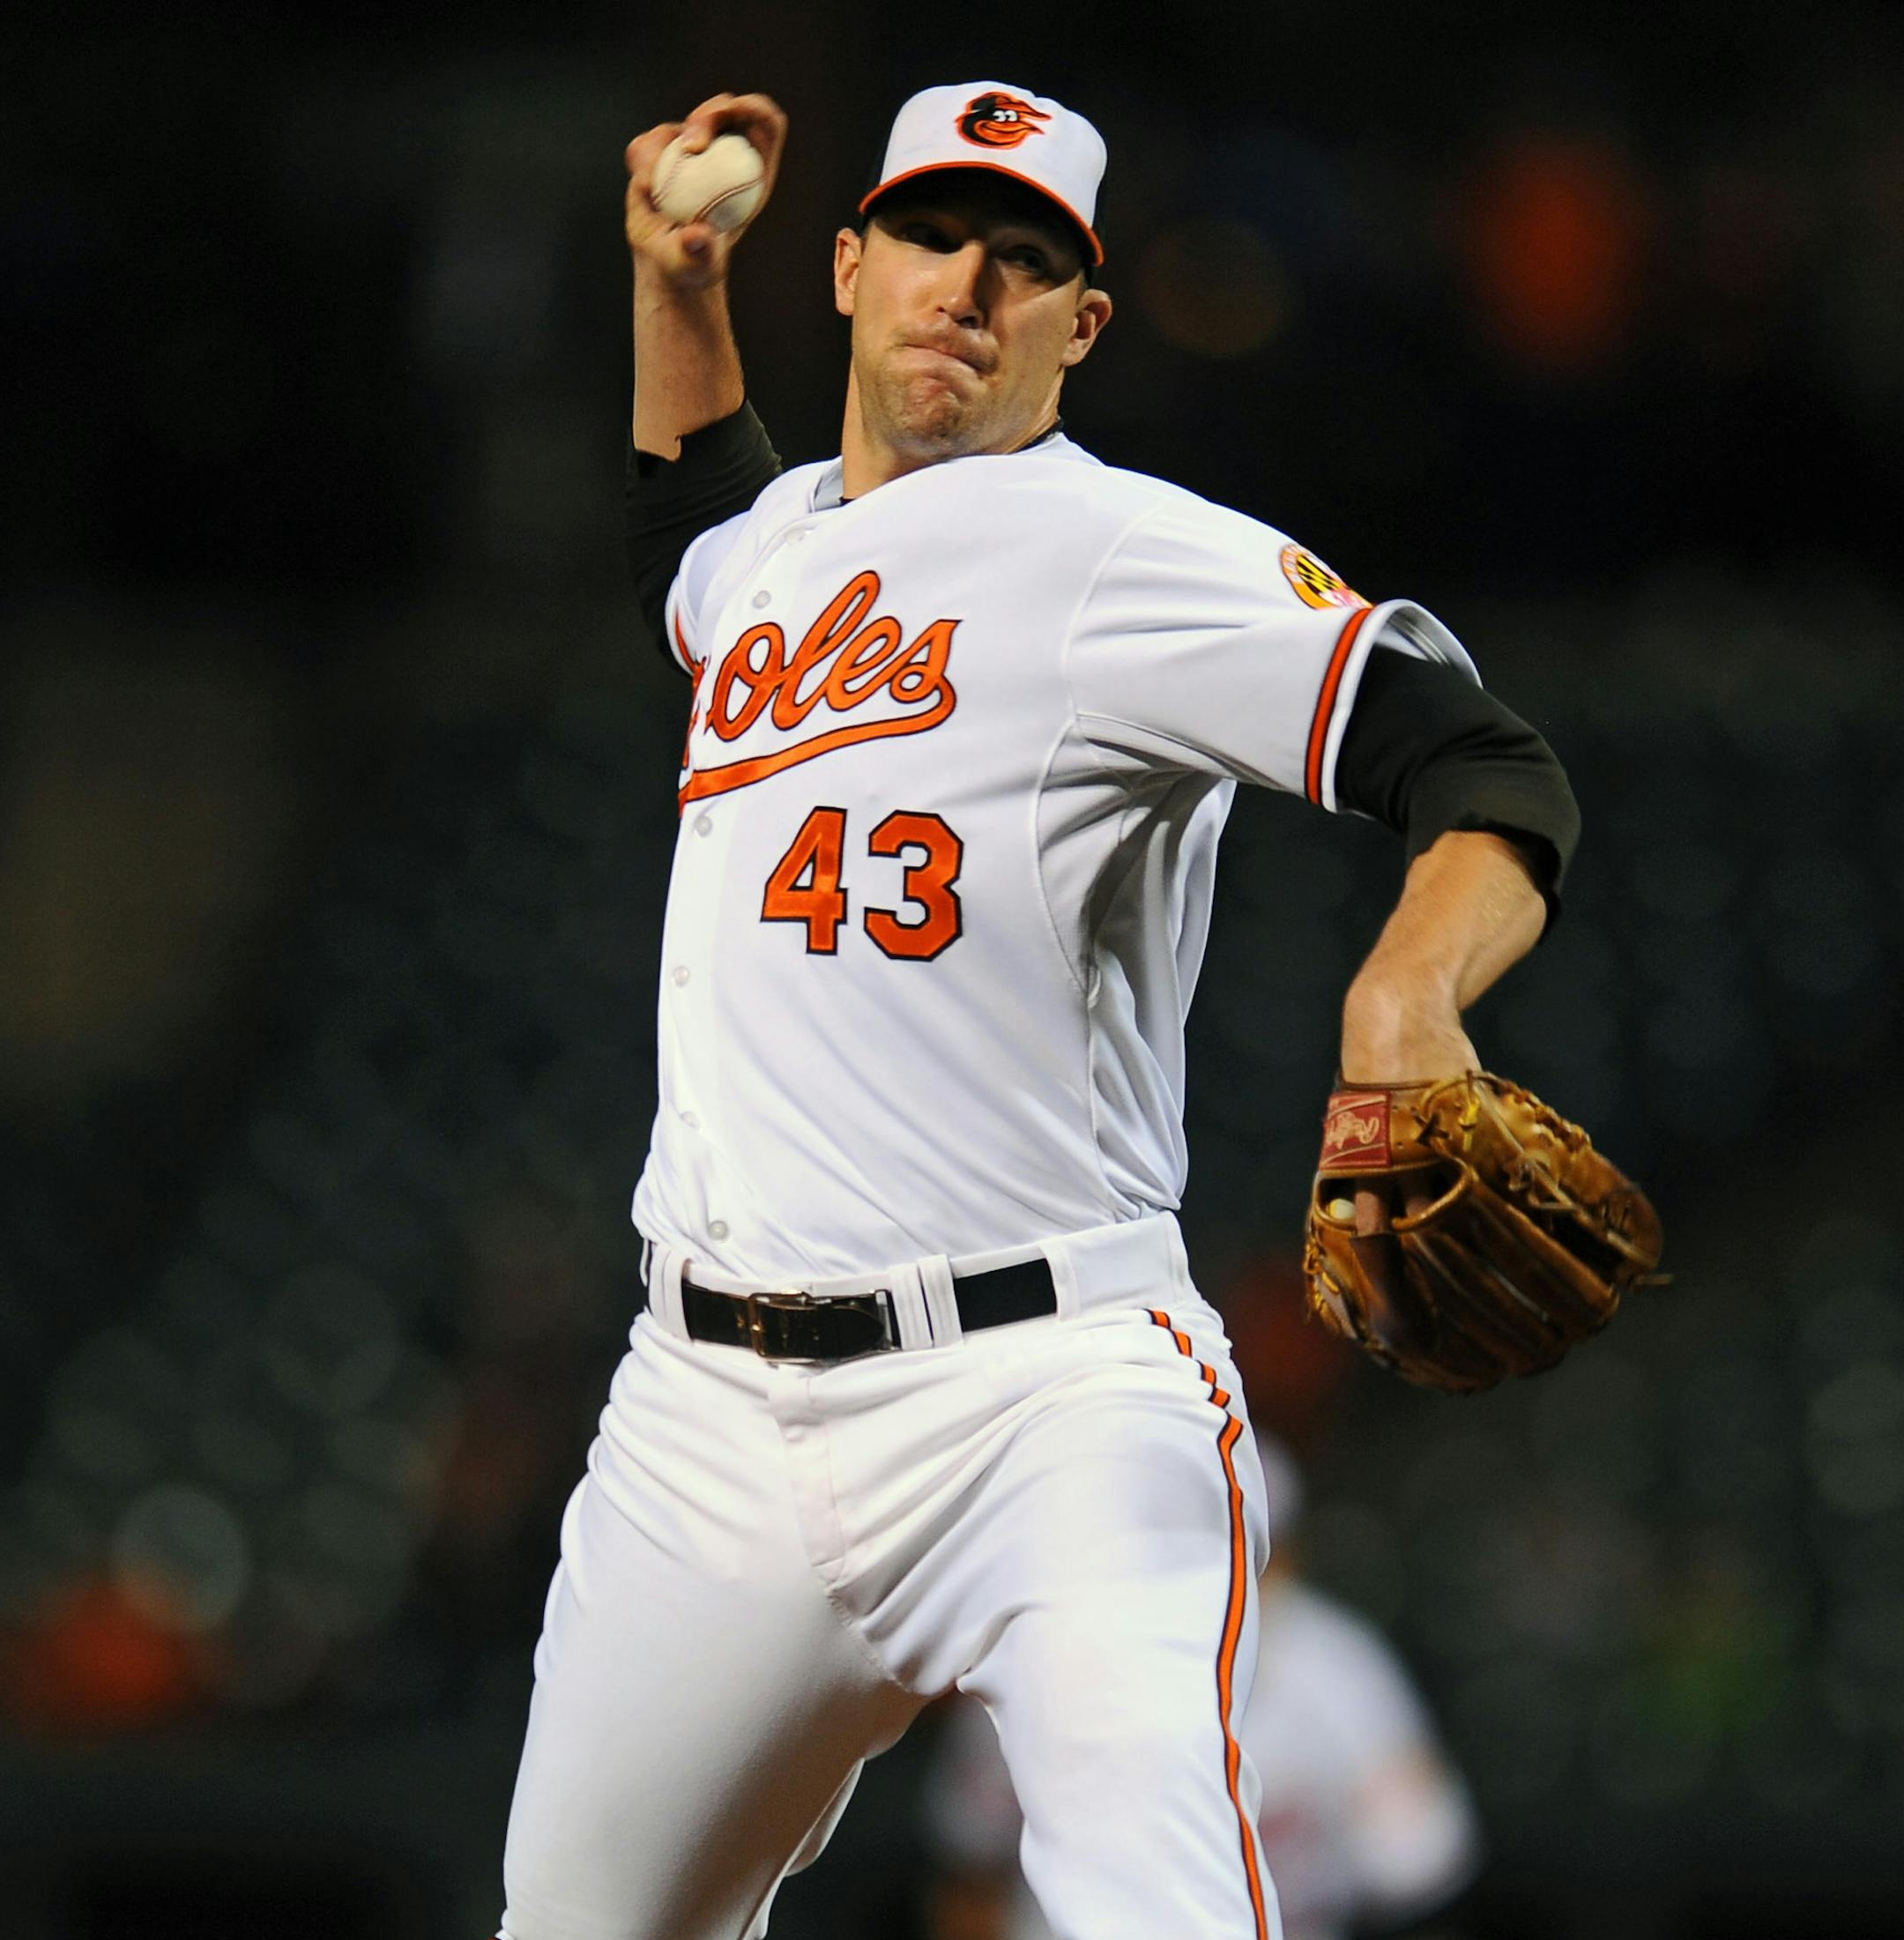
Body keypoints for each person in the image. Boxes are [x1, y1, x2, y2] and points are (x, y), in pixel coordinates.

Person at [495, 80, 1578, 1940]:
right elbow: (687, 513)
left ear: (1081, 325)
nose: (967, 287)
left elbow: (1488, 761)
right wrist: (677, 274)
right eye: (931, 236)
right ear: (845, 268)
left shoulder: (1128, 552)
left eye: (1026, 262)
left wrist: (1409, 990)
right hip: (707, 1414)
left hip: (1044, 1394)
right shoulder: (768, 552)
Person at [922, 1433, 1483, 1940]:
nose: (1223, 1577)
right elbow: (969, 1881)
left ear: (1288, 1559)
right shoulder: (1044, 1656)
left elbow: (1420, 1872)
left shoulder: (1343, 1674)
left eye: (1252, 1551)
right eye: (1197, 1546)